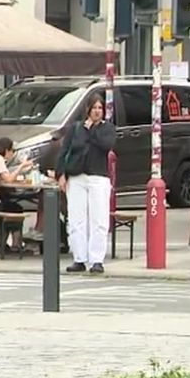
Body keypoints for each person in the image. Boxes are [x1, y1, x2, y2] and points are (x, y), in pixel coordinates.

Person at [55, 95, 115, 274]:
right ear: (88, 110)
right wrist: (61, 174)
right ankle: (79, 258)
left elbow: (106, 145)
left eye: (100, 108)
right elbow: (65, 150)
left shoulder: (107, 129)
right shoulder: (75, 129)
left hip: (98, 176)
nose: (97, 111)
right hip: (77, 176)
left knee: (98, 219)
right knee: (76, 219)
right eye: (94, 108)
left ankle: (97, 259)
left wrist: (92, 131)